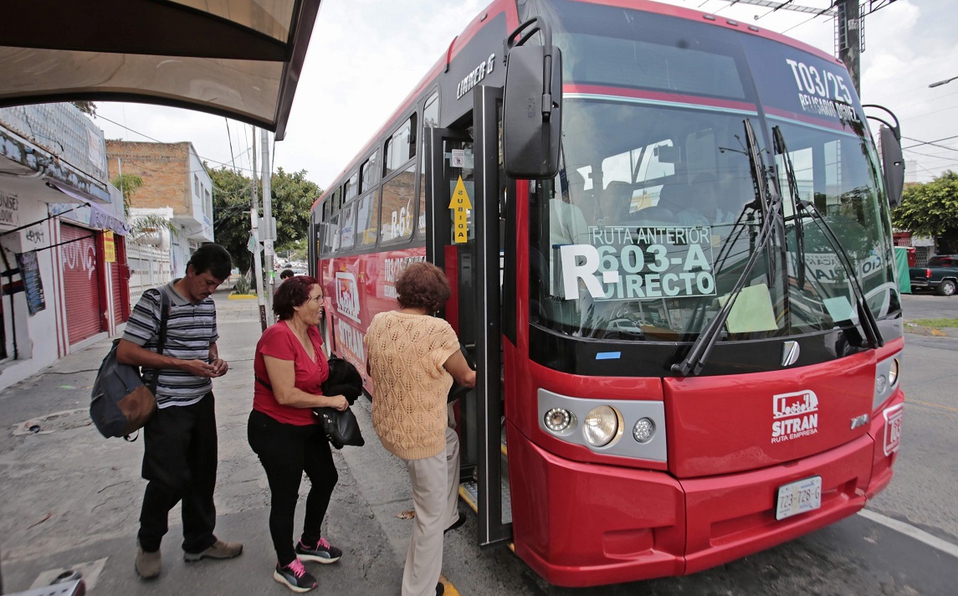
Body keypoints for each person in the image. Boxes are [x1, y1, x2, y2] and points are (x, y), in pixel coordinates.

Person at [117, 243, 242, 580]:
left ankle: (199, 541)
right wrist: (181, 365)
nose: (211, 290)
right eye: (207, 283)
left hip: (201, 401)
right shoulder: (156, 301)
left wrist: (216, 361)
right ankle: (149, 543)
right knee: (168, 479)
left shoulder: (208, 305)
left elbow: (208, 344)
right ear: (190, 271)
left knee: (203, 475)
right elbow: (127, 352)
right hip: (166, 405)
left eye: (217, 285)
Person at [364, 262, 476, 596]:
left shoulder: (380, 321)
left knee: (451, 441)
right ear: (436, 299)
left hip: (389, 427)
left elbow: (373, 367)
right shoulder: (438, 330)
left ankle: (450, 513)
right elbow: (466, 377)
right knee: (428, 518)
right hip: (421, 438)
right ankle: (419, 591)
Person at [247, 275, 349, 593]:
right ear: (296, 304)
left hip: (308, 425)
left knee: (326, 478)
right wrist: (330, 400)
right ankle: (285, 561)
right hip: (274, 428)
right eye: (316, 299)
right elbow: (285, 395)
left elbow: (318, 374)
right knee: (285, 496)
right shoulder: (277, 336)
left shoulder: (312, 332)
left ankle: (308, 541)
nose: (323, 304)